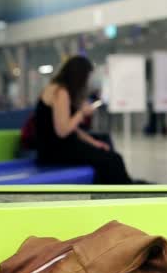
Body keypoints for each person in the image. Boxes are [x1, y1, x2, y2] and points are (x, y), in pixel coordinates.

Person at [35, 55, 138, 184]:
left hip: (58, 146)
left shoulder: (58, 89)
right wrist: (81, 113)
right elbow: (63, 130)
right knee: (113, 159)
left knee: (105, 146)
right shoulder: (60, 92)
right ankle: (124, 189)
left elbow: (74, 130)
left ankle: (122, 185)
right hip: (53, 151)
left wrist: (94, 143)